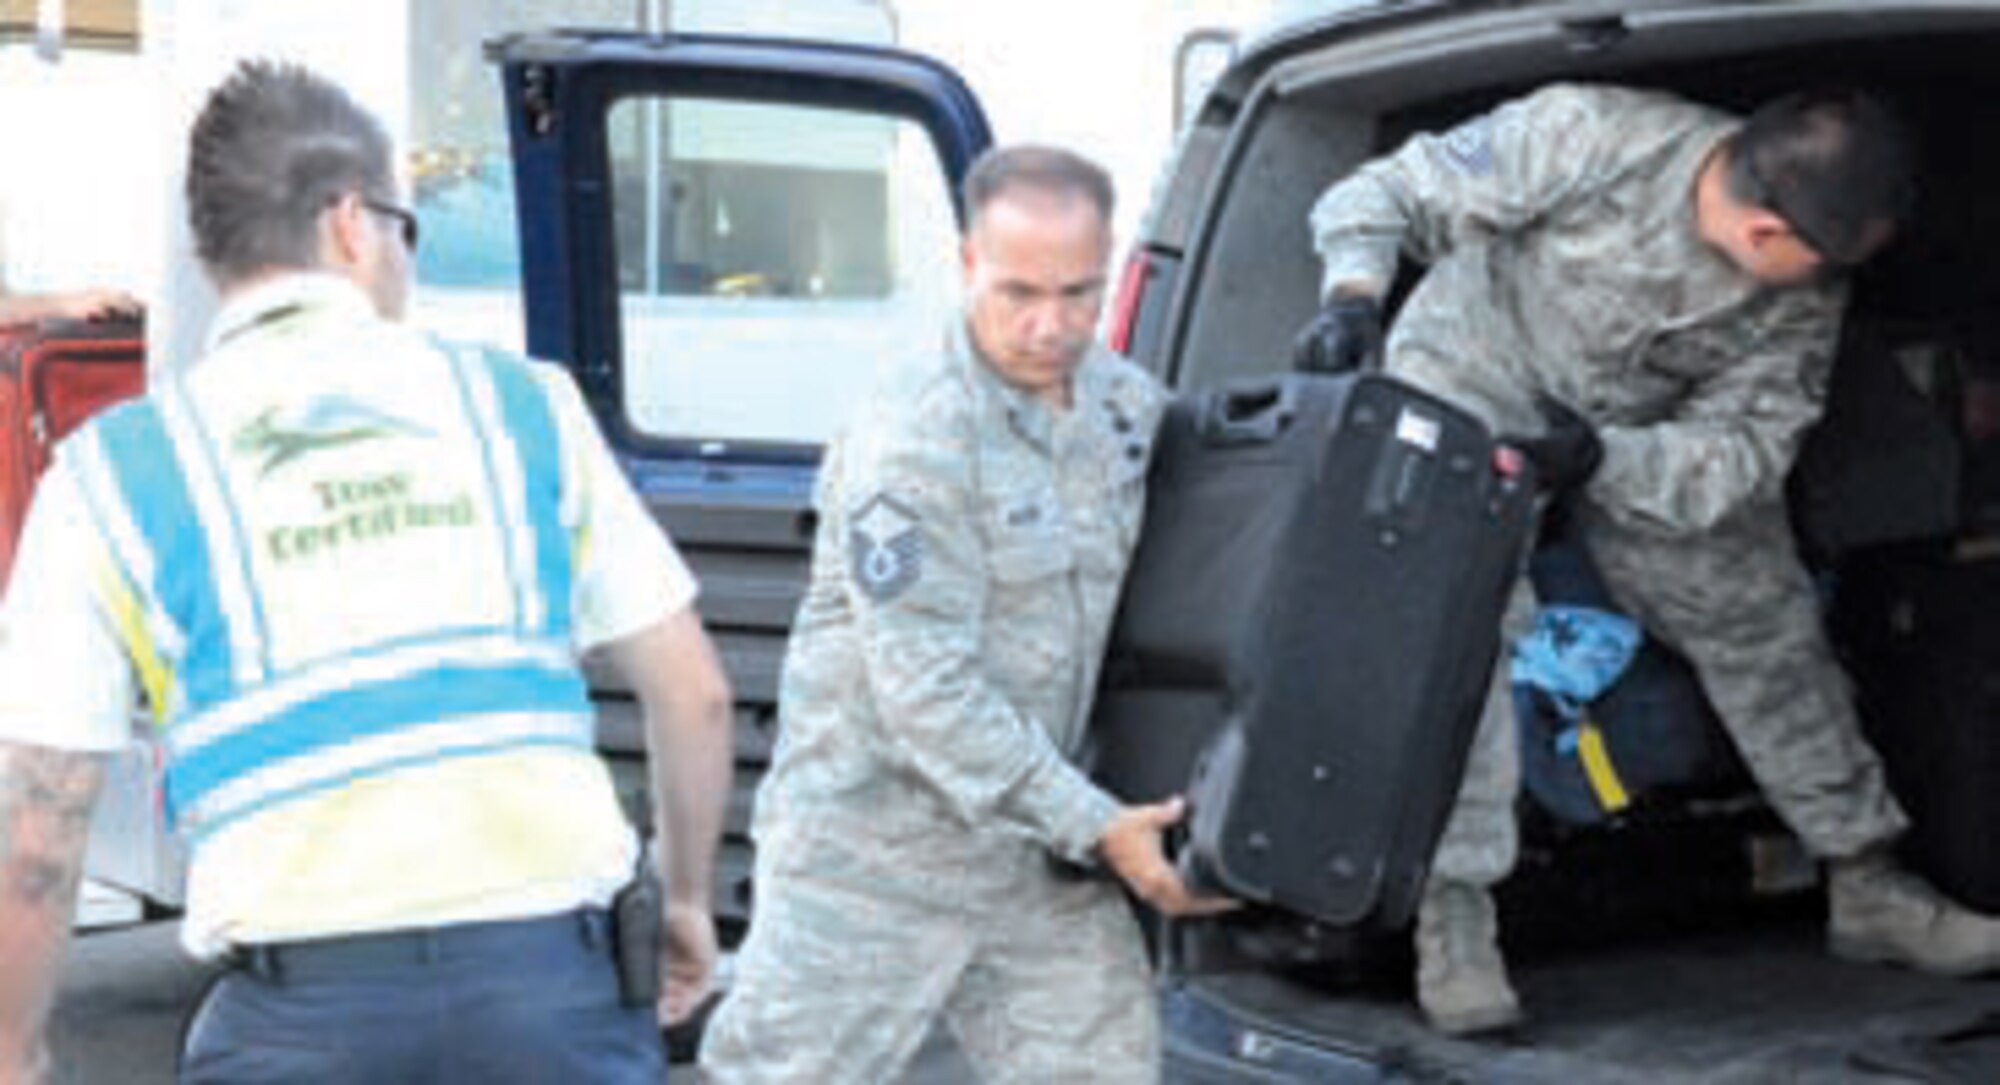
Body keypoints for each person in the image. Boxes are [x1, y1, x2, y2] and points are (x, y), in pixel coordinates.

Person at [0, 59, 732, 1084]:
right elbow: (693, 694)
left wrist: (14, 1048)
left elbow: (41, 824)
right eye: (407, 229)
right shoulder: (523, 406)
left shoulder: (112, 473)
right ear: (351, 226)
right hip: (552, 1004)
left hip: (301, 1025)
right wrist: (686, 901)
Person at [1297, 82, 2000, 1036]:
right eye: (1823, 261)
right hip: (1471, 387)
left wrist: (1604, 460)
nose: (1831, 283)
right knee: (1450, 646)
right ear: (1764, 232)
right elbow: (1380, 193)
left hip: (1635, 443)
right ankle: (1453, 918)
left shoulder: (1805, 292)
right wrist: (1351, 298)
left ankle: (1867, 881)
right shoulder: (1590, 136)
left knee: (1761, 617)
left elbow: (1746, 454)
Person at [700, 145, 1233, 1084]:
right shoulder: (914, 433)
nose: (1051, 326)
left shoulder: (1126, 411)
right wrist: (1101, 823)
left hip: (1035, 862)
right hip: (869, 862)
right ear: (966, 264)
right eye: (1019, 292)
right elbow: (928, 692)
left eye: (1078, 292)